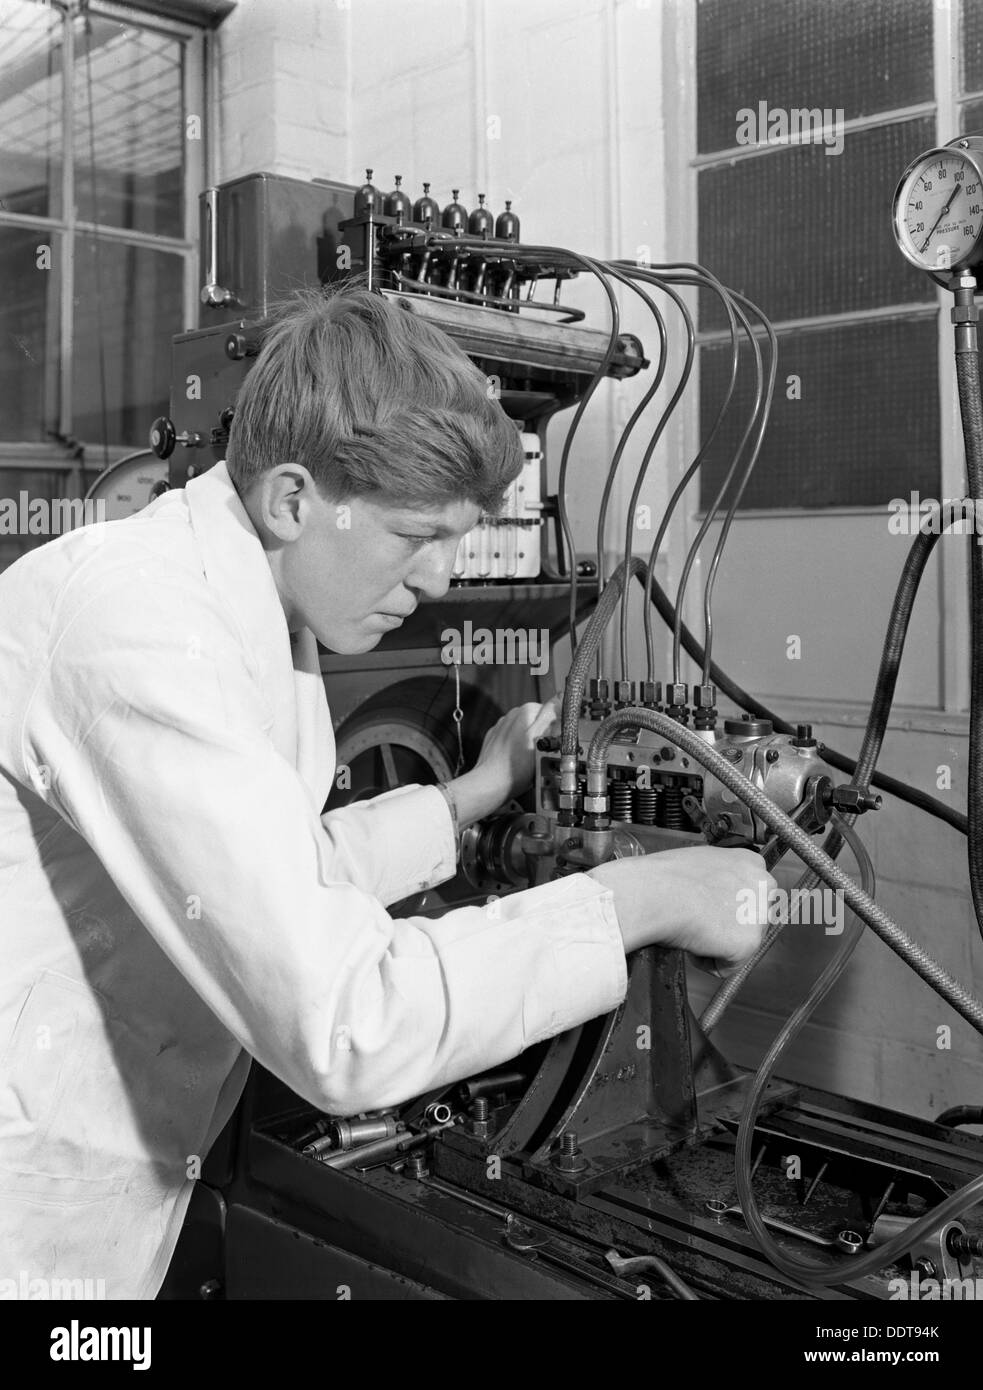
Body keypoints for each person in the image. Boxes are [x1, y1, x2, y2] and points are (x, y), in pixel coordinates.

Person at [0, 287, 774, 1298]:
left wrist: (471, 795)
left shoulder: (256, 610)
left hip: (106, 1170)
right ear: (291, 499)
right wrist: (645, 896)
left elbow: (271, 869)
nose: (443, 579)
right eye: (419, 532)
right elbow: (347, 1022)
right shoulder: (138, 628)